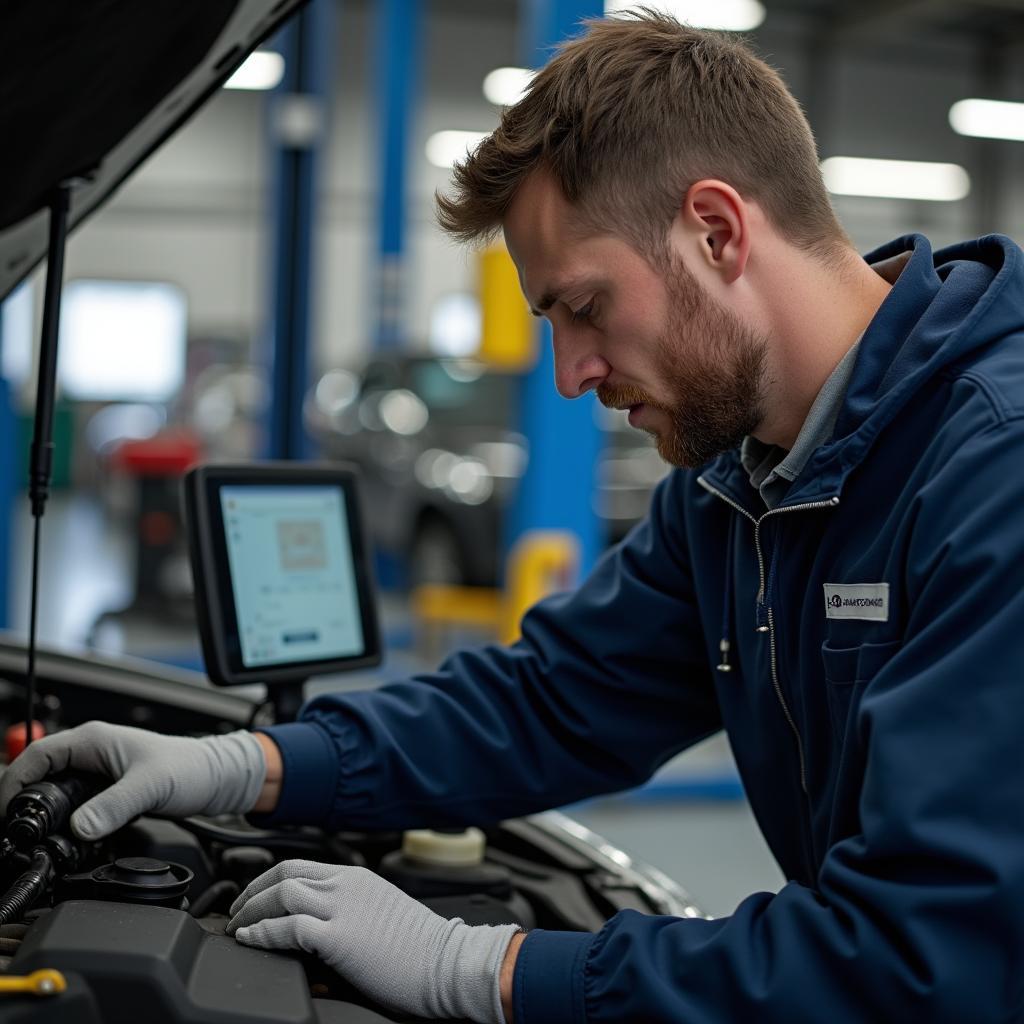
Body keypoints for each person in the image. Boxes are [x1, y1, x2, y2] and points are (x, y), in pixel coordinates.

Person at [4, 10, 1024, 1022]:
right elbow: (552, 700)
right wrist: (243, 765)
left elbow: (925, 957)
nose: (572, 373)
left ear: (716, 230)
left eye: (584, 306)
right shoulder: (737, 484)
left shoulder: (994, 469)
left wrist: (482, 968)